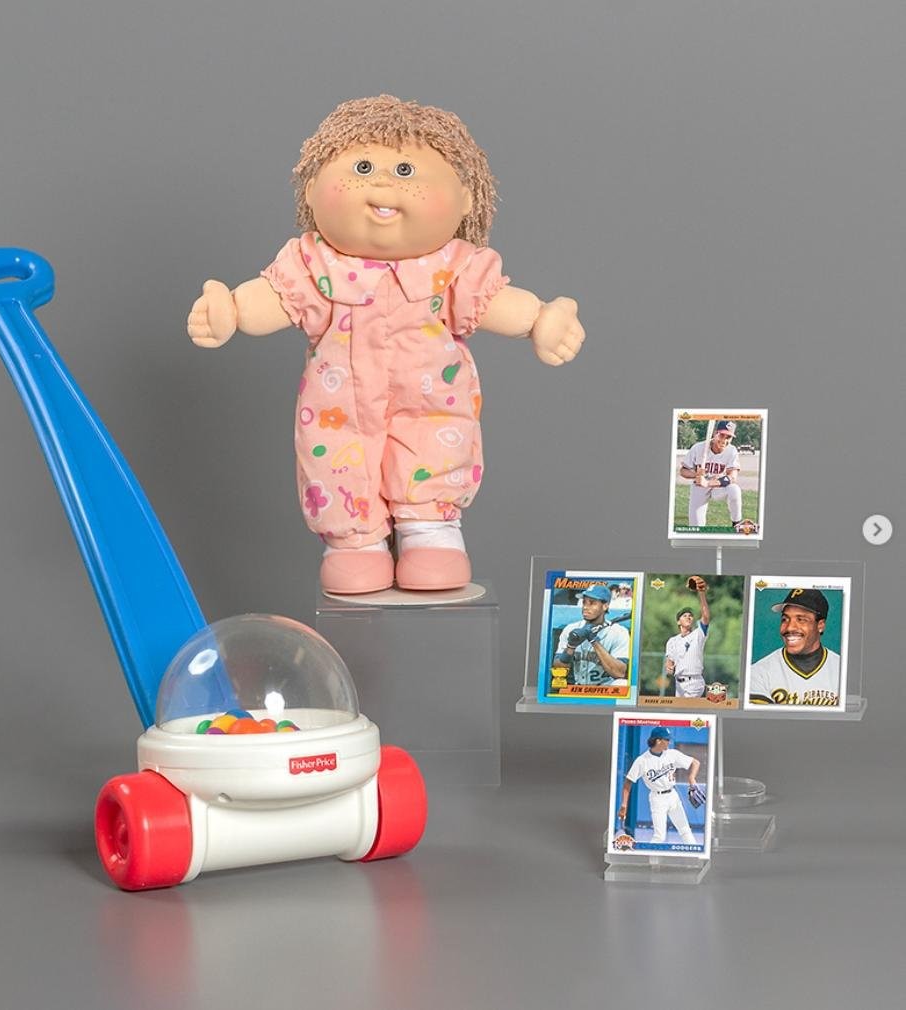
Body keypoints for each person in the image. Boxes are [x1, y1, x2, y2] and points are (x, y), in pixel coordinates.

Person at [187, 96, 585, 594]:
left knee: (435, 442)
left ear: (464, 199)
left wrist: (540, 320)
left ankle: (430, 529)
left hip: (432, 403)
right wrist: (231, 311)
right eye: (362, 168)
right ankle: (354, 542)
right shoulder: (315, 263)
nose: (383, 183)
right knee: (335, 456)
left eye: (405, 171)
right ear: (311, 190)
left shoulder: (454, 267)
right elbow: (276, 299)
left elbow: (493, 301)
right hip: (338, 407)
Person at [748, 588, 841, 707]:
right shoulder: (759, 673)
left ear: (820, 625)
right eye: (785, 619)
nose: (789, 627)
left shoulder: (842, 670)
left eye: (801, 619)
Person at [618, 727, 700, 844]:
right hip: (657, 799)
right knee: (659, 836)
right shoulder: (642, 761)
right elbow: (628, 782)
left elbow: (695, 763)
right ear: (658, 741)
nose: (669, 742)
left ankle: (693, 854)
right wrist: (624, 805)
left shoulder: (672, 754)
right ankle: (647, 856)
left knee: (685, 830)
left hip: (672, 795)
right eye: (667, 739)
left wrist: (691, 778)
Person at [554, 584, 629, 687]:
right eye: (584, 602)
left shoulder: (619, 632)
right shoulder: (570, 629)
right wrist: (570, 646)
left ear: (605, 606)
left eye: (592, 603)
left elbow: (620, 673)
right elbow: (558, 668)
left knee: (622, 684)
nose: (585, 607)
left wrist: (594, 640)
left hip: (605, 688)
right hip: (577, 688)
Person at [679, 420, 744, 530]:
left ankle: (736, 522)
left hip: (718, 486)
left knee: (734, 490)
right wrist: (696, 474)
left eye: (728, 437)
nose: (724, 440)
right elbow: (683, 471)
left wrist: (708, 483)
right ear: (715, 433)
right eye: (721, 435)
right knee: (696, 527)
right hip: (699, 487)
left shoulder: (731, 451)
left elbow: (733, 477)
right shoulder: (698, 448)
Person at [664, 577, 711, 698]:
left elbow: (706, 617)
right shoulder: (672, 641)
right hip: (679, 684)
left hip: (694, 682)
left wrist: (701, 594)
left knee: (687, 708)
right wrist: (668, 667)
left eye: (690, 615)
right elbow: (669, 661)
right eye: (684, 615)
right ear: (678, 622)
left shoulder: (698, 634)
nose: (688, 617)